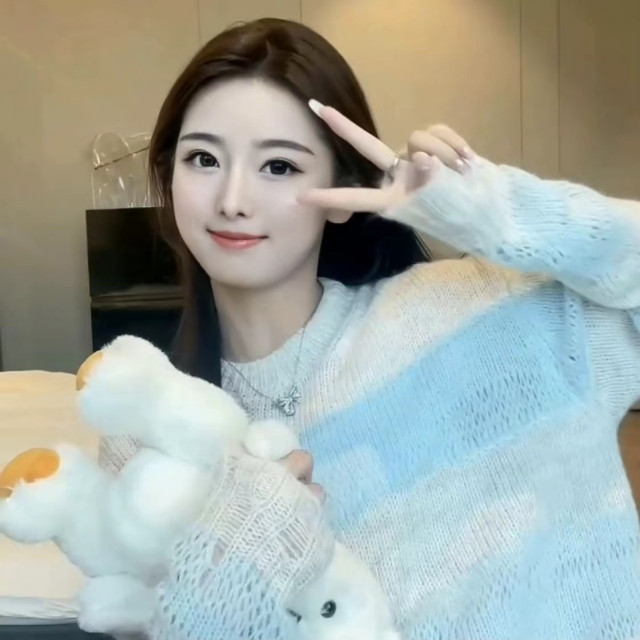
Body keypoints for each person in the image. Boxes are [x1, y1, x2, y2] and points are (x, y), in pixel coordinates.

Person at [99, 17, 640, 640]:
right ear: (168, 177)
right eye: (203, 159)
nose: (232, 199)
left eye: (279, 166)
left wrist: (510, 217)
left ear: (342, 189)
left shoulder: (482, 312)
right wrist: (242, 554)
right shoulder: (145, 433)